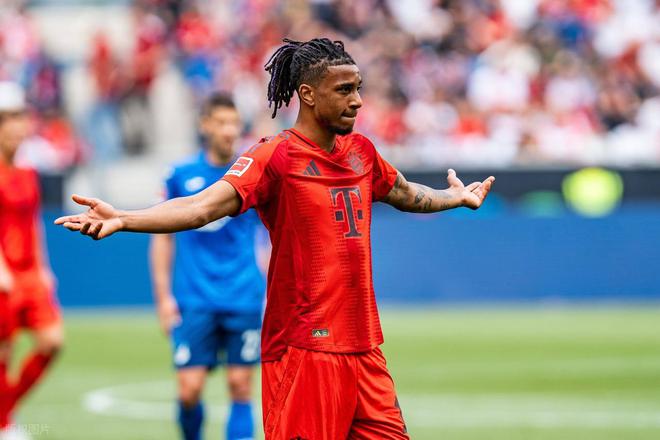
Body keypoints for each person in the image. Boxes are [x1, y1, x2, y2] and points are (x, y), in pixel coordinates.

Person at [55, 38, 495, 439]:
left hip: (365, 348)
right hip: (304, 349)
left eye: (358, 88)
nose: (357, 100)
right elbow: (202, 207)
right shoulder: (275, 156)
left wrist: (453, 198)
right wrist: (125, 217)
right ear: (308, 94)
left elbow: (404, 193)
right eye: (344, 90)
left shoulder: (362, 152)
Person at [150, 93, 265, 440]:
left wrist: (270, 288)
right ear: (205, 125)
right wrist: (163, 298)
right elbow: (162, 238)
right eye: (221, 122)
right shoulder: (180, 175)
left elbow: (268, 237)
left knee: (240, 384)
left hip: (243, 295)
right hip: (195, 298)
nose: (229, 130)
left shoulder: (252, 173)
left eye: (234, 123)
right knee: (189, 389)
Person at [0, 82, 63, 440]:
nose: (16, 126)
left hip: (28, 273)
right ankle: (5, 423)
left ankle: (4, 412)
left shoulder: (27, 172)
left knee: (52, 342)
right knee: (3, 353)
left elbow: (33, 223)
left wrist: (44, 268)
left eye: (19, 117)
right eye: (9, 119)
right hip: (5, 276)